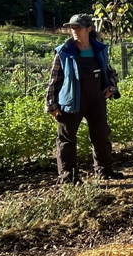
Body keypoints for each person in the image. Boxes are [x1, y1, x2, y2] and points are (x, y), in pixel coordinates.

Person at [45, 14, 122, 183]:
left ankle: (105, 171)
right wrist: (52, 105)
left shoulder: (99, 50)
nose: (74, 31)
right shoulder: (64, 51)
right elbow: (54, 79)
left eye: (78, 28)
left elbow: (109, 71)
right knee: (66, 140)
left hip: (96, 100)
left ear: (89, 29)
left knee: (101, 136)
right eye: (72, 28)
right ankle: (68, 177)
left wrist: (111, 87)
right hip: (71, 101)